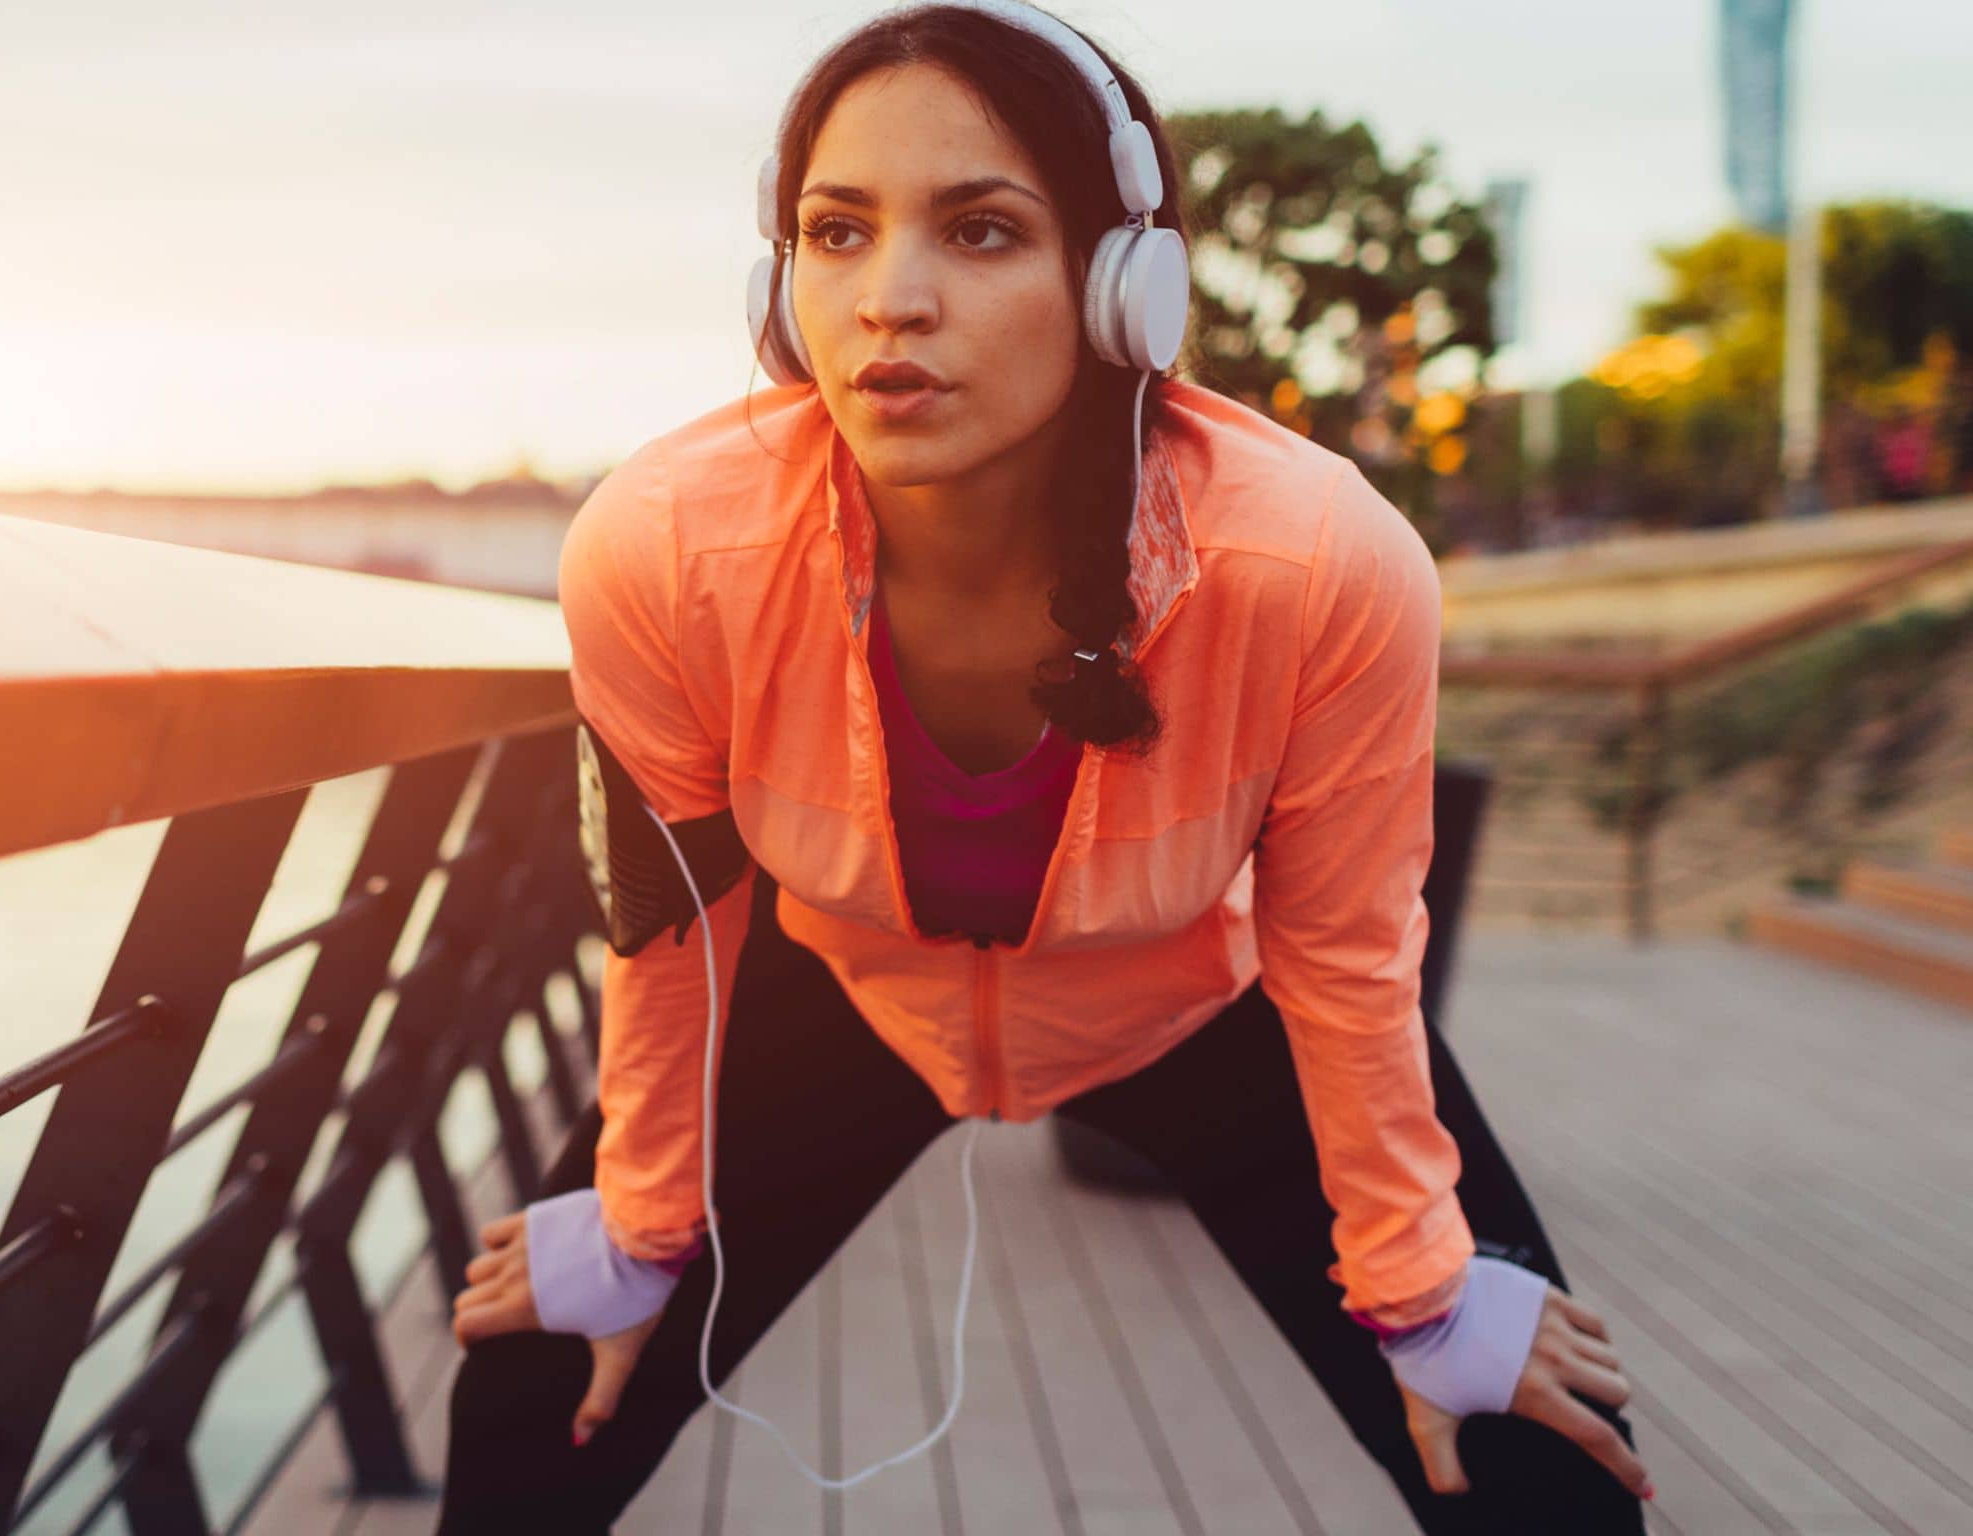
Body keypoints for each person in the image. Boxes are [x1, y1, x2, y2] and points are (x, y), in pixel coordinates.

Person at [438, 4, 1652, 1531]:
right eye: (837, 231)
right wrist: (640, 1227)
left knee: (1538, 1457)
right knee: (533, 1379)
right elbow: (668, 924)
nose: (891, 300)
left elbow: (1346, 955)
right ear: (780, 284)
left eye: (981, 230)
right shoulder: (663, 548)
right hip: (841, 996)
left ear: (1121, 283)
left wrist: (1419, 1296)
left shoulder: (1317, 566)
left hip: (1199, 1006)